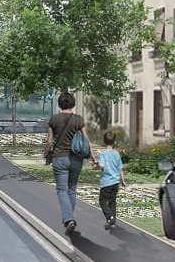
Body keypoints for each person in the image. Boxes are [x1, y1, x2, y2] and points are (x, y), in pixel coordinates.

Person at [44, 92, 87, 234]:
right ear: (73, 103)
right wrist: (93, 157)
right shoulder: (78, 120)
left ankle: (69, 219)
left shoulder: (54, 119)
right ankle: (69, 218)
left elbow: (49, 142)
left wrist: (46, 155)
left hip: (59, 158)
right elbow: (86, 140)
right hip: (76, 159)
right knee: (72, 189)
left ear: (59, 104)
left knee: (62, 189)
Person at [95, 129, 124, 230]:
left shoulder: (103, 154)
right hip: (115, 182)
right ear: (114, 141)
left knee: (102, 200)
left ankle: (110, 217)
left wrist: (96, 166)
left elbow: (102, 165)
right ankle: (112, 221)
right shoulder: (117, 154)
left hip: (106, 182)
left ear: (104, 141)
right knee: (112, 201)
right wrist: (123, 180)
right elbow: (120, 168)